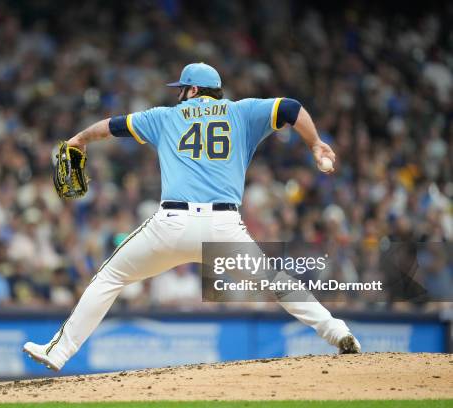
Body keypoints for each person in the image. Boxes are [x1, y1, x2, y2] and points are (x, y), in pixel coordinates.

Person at [24, 63, 361, 371]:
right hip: (223, 228)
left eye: (182, 88)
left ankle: (58, 352)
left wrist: (79, 138)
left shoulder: (166, 116)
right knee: (276, 283)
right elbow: (290, 107)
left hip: (172, 225)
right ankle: (337, 332)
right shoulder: (242, 112)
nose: (179, 94)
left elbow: (111, 127)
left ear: (194, 90)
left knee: (110, 277)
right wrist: (315, 142)